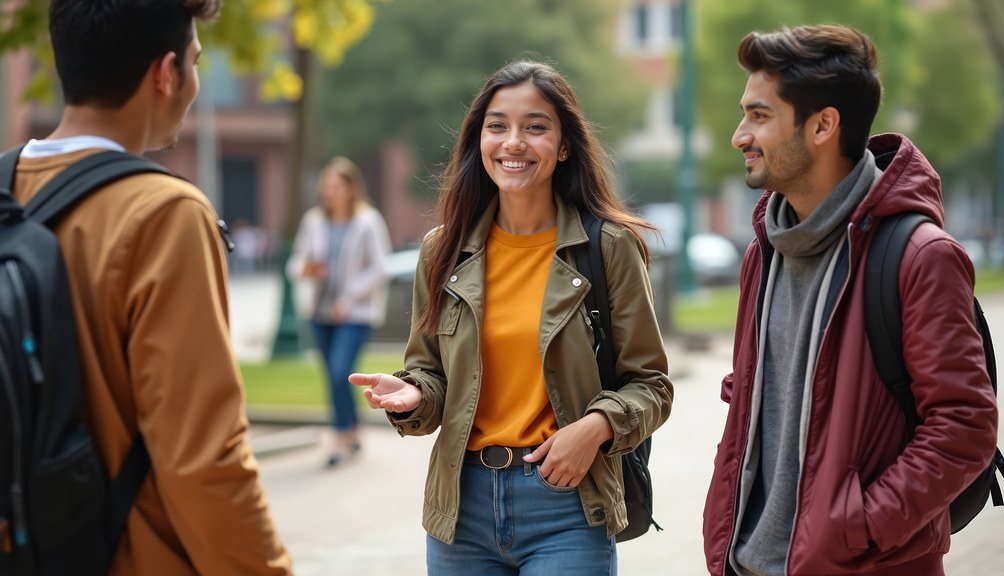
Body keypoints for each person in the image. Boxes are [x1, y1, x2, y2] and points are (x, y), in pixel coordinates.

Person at [350, 60, 673, 575]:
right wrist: (414, 394)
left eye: (535, 127)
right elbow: (430, 375)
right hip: (462, 508)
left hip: (567, 502)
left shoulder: (608, 248)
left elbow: (652, 386)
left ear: (564, 146)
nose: (513, 142)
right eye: (497, 126)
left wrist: (593, 428)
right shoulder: (443, 252)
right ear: (480, 139)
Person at [702, 24, 998, 575]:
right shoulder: (763, 253)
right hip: (751, 563)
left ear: (822, 125)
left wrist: (856, 528)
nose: (739, 135)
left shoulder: (918, 256)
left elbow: (963, 426)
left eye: (759, 116)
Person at [8, 1, 292, 574]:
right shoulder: (165, 214)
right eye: (194, 62)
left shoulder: (6, 186)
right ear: (166, 74)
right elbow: (203, 460)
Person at [287, 156, 391, 467]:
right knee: (333, 376)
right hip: (319, 313)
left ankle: (340, 435)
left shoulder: (368, 221)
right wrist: (306, 269)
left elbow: (379, 268)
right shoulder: (313, 221)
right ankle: (353, 430)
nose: (329, 192)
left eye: (336, 186)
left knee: (339, 370)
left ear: (350, 188)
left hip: (354, 314)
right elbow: (295, 263)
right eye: (326, 186)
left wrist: (348, 299)